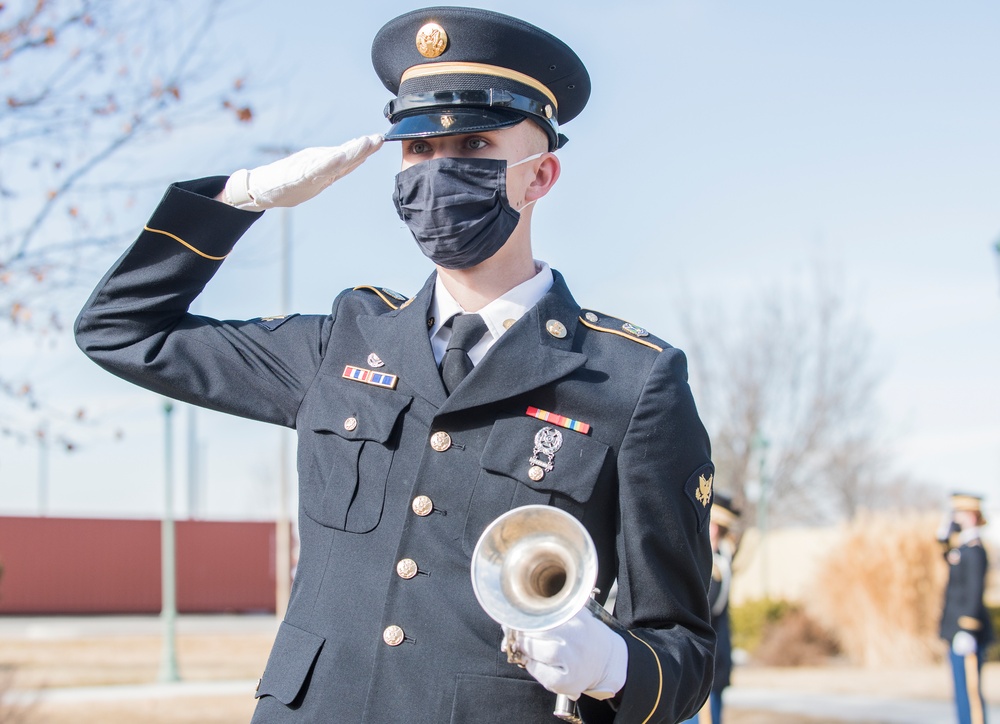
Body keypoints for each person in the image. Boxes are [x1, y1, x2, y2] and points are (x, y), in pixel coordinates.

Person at [75, 7, 716, 723]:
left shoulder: (629, 382)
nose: (438, 173)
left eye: (473, 144)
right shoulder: (344, 344)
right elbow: (119, 330)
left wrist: (611, 667)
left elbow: (683, 647)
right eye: (417, 151)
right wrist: (241, 199)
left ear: (540, 177)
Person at [682, 494, 740, 724]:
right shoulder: (712, 562)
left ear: (715, 529)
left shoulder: (716, 567)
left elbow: (701, 611)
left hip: (707, 664)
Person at [938, 493, 993, 724]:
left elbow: (973, 592)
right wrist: (943, 537)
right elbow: (948, 555)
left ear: (970, 515)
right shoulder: (963, 549)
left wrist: (968, 629)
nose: (955, 518)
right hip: (956, 630)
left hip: (966, 631)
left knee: (970, 694)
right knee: (961, 694)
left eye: (959, 513)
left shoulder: (975, 550)